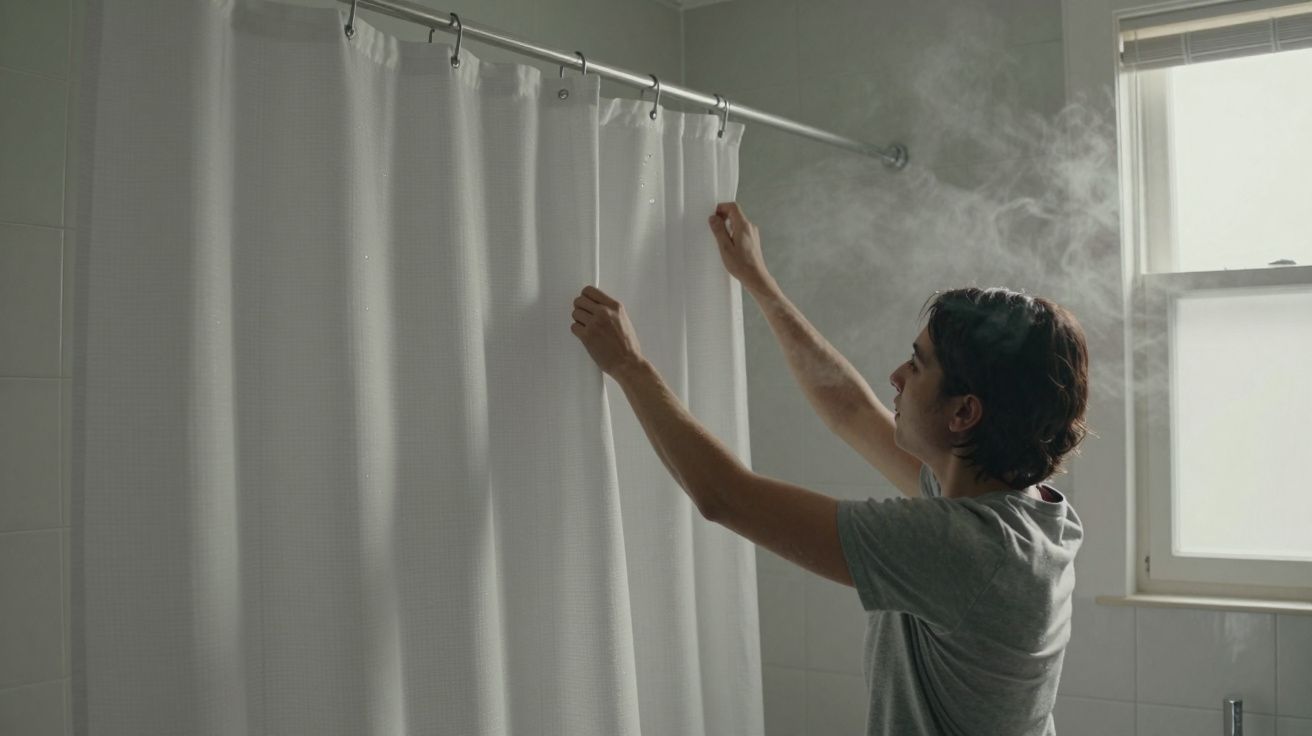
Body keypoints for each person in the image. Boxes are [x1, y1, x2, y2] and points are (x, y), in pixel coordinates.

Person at [570, 201, 1088, 736]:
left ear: (963, 412)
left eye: (916, 364)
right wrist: (759, 282)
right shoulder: (1020, 510)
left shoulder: (965, 549)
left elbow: (723, 496)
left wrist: (629, 365)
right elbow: (850, 409)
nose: (896, 376)